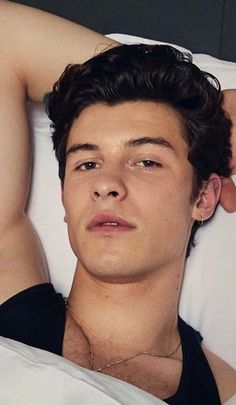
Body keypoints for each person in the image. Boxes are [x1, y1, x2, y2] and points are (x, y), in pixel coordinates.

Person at [0, 1, 236, 404]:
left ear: (203, 196)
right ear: (64, 198)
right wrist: (216, 105)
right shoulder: (8, 293)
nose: (106, 184)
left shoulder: (222, 389)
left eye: (146, 161)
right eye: (87, 163)